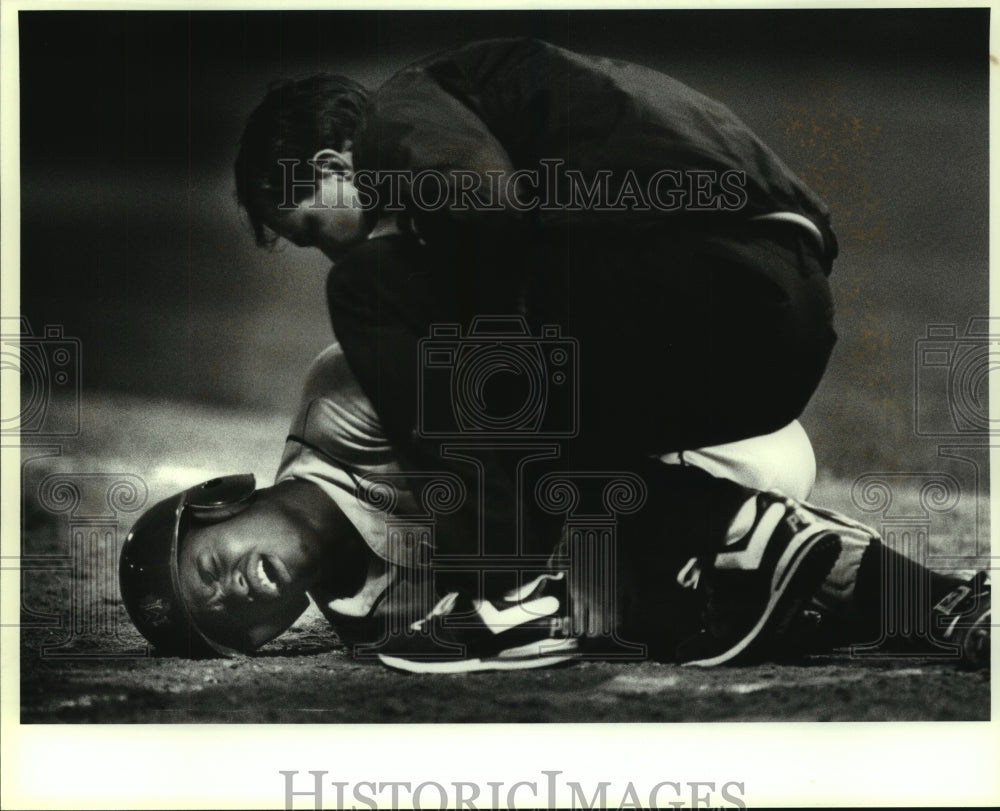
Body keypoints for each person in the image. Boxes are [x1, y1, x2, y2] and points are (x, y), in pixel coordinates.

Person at [119, 342, 992, 671]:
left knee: (561, 490)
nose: (235, 588)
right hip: (684, 496)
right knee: (674, 599)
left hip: (699, 419)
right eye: (226, 618)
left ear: (220, 503)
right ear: (263, 639)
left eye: (208, 566)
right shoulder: (372, 616)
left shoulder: (341, 397)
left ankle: (749, 541)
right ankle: (923, 599)